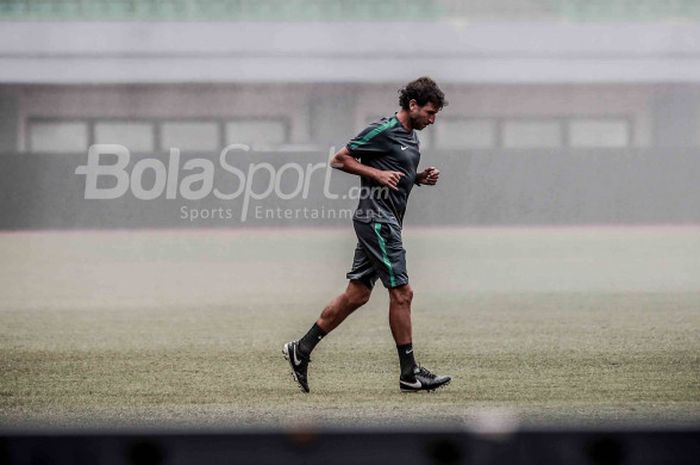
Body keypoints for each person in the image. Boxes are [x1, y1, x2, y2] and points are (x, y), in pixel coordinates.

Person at [284, 76, 451, 393]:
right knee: (403, 293)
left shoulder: (411, 138)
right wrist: (376, 173)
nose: (432, 119)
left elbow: (394, 172)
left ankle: (300, 349)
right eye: (430, 112)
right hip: (377, 220)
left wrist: (416, 178)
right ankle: (409, 373)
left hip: (385, 220)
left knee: (357, 294)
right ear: (412, 105)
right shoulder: (384, 129)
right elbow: (339, 159)